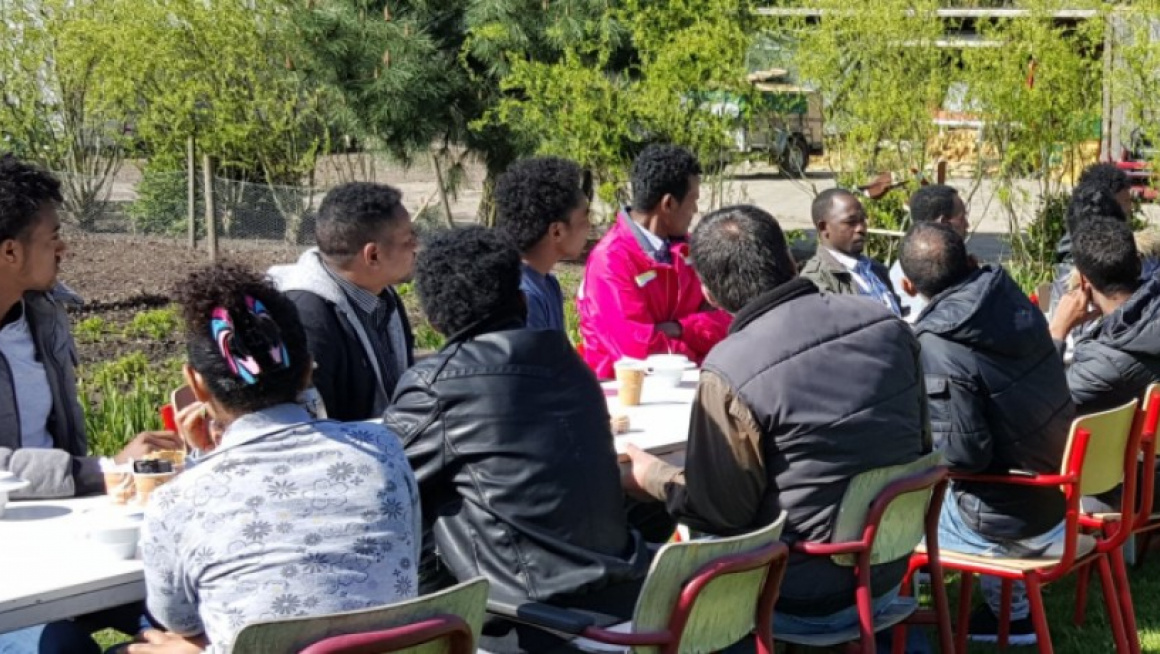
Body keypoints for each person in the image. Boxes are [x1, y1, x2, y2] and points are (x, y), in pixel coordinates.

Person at [622, 205, 928, 636]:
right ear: (790, 259)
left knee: (667, 564)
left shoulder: (732, 368)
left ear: (709, 294)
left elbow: (723, 513)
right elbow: (922, 445)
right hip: (889, 568)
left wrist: (655, 477)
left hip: (796, 589)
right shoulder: (887, 325)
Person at [128, 263, 420, 654]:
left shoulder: (177, 500)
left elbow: (179, 620)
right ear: (306, 370)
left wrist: (202, 463)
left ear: (195, 383)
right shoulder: (383, 451)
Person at [383, 227, 650, 654]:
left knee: (414, 505)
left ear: (433, 321)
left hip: (532, 618)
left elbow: (381, 481)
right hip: (623, 594)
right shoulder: (570, 365)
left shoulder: (438, 385)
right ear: (522, 300)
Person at [899, 222, 1074, 645]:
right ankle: (1007, 608)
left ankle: (1007, 619)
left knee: (883, 521)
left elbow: (963, 455)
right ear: (972, 261)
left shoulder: (938, 342)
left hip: (1009, 520)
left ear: (906, 286)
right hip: (1054, 497)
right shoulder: (1010, 297)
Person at [0, 154, 183, 499]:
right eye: (52, 238)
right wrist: (105, 469)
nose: (62, 249)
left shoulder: (44, 313)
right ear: (11, 252)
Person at [576, 144, 730, 378]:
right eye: (693, 200)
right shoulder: (610, 262)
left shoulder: (691, 249)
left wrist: (679, 328)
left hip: (688, 386)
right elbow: (637, 352)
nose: (696, 209)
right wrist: (701, 354)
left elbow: (727, 320)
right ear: (668, 204)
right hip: (625, 396)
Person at [269, 182, 417, 421]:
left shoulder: (381, 294)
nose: (416, 246)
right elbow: (316, 424)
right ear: (373, 255)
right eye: (408, 239)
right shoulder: (306, 318)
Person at [1050, 216, 1160, 512]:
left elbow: (1041, 407)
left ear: (1084, 281)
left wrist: (1057, 331)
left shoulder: (1105, 363)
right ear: (1138, 264)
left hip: (1128, 488)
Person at [495, 156, 591, 331]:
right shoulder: (524, 296)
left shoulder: (548, 283)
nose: (589, 226)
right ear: (557, 231)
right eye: (585, 216)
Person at [799, 188, 902, 316]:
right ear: (823, 227)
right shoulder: (816, 281)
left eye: (863, 220)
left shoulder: (876, 269)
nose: (861, 228)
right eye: (850, 222)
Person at [889, 184, 970, 321]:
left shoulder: (957, 260)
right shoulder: (913, 271)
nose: (967, 224)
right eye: (962, 218)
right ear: (944, 223)